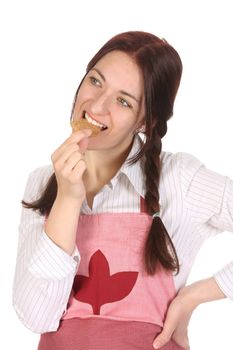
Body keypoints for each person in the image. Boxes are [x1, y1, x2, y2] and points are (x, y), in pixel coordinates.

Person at [12, 31, 233, 350]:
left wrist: (195, 296)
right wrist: (68, 198)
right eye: (95, 81)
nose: (97, 106)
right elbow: (37, 318)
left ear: (147, 120)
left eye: (123, 100)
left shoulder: (180, 179)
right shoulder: (42, 182)